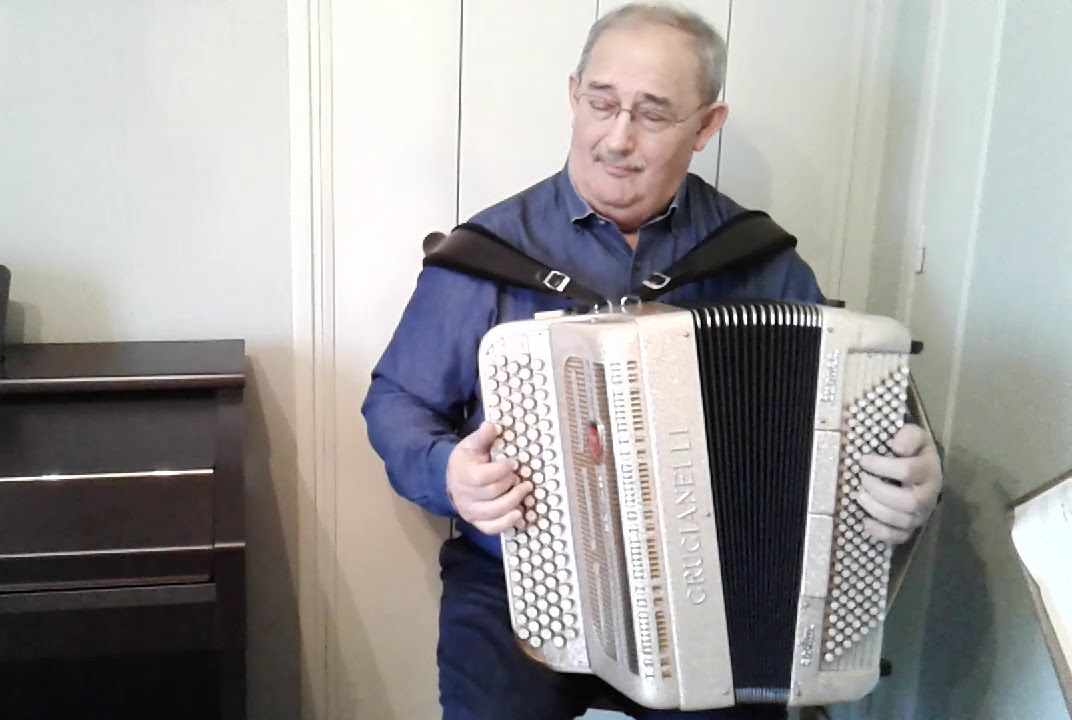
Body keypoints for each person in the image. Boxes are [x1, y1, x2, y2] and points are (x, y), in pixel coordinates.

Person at [361, 4, 944, 719]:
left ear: (706, 126)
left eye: (654, 115)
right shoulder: (487, 255)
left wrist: (912, 474)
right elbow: (395, 402)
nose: (618, 138)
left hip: (711, 592)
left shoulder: (760, 261)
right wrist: (447, 473)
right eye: (601, 103)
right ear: (574, 96)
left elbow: (851, 417)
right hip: (518, 580)